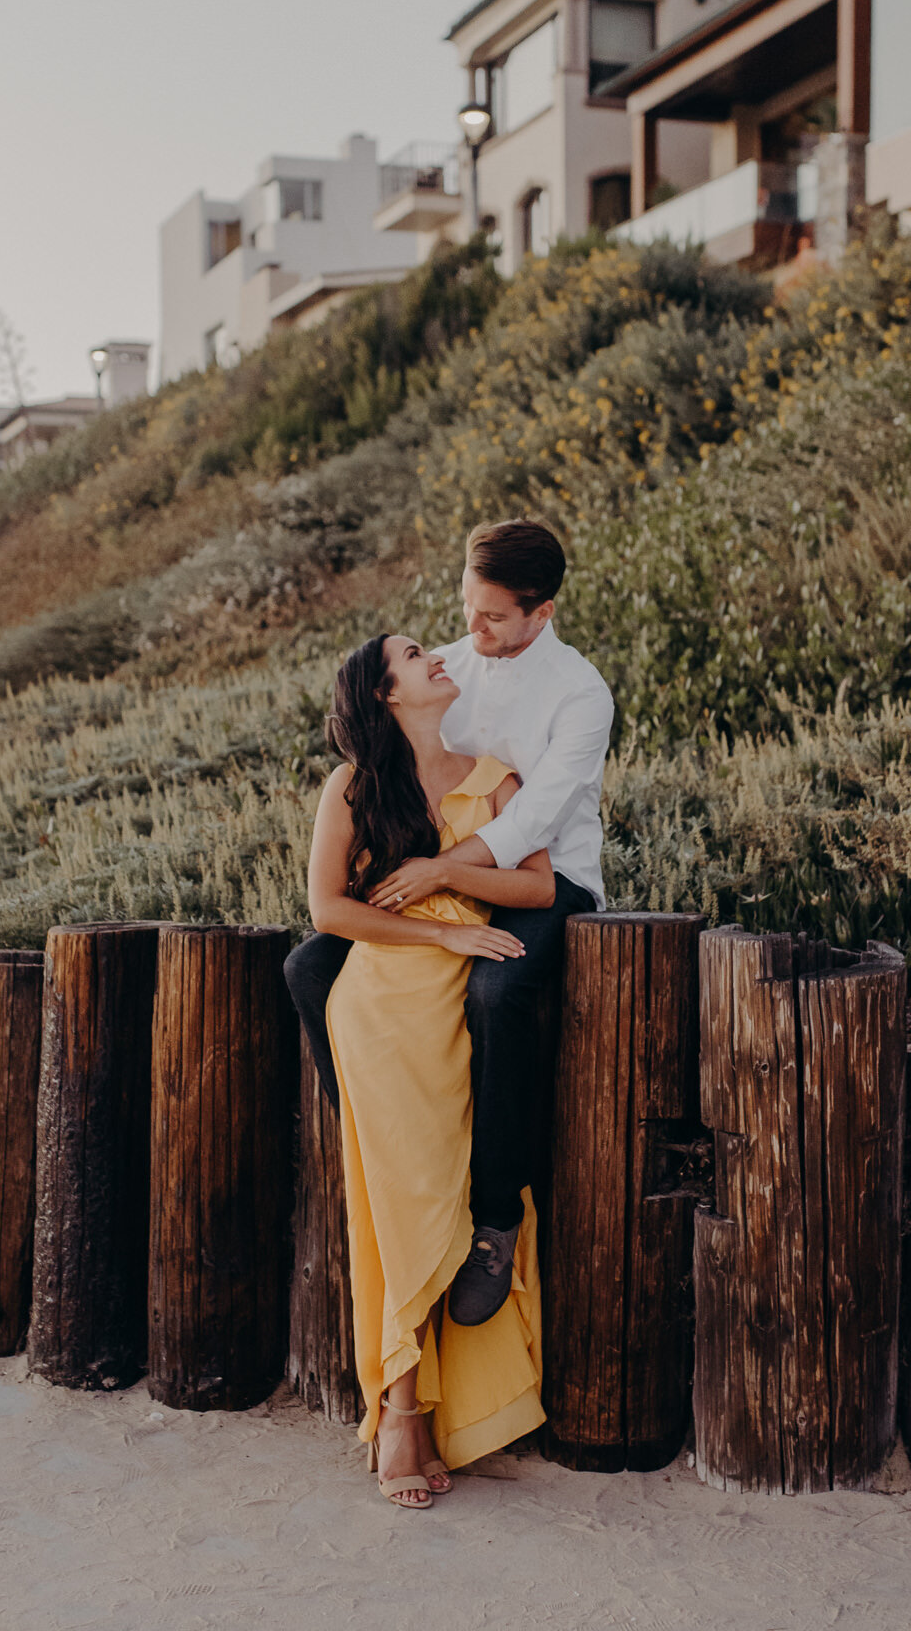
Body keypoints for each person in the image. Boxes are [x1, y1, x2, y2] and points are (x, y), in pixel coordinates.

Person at [286, 518, 613, 1328]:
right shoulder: (448, 665)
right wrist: (405, 868)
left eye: (493, 617)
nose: (471, 631)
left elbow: (535, 817)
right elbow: (395, 757)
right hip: (438, 880)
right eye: (467, 607)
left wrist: (439, 869)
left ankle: (494, 1212)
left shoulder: (579, 693)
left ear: (541, 611)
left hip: (548, 878)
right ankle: (372, 1135)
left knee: (496, 998)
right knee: (309, 967)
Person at [308, 631, 556, 1506]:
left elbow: (537, 888)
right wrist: (442, 928)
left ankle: (429, 1407)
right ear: (384, 695)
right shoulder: (353, 787)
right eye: (415, 657)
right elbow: (327, 907)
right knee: (402, 1206)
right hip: (378, 1009)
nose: (436, 659)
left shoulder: (493, 779)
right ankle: (401, 1414)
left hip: (454, 1013)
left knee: (439, 1195)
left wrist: (445, 874)